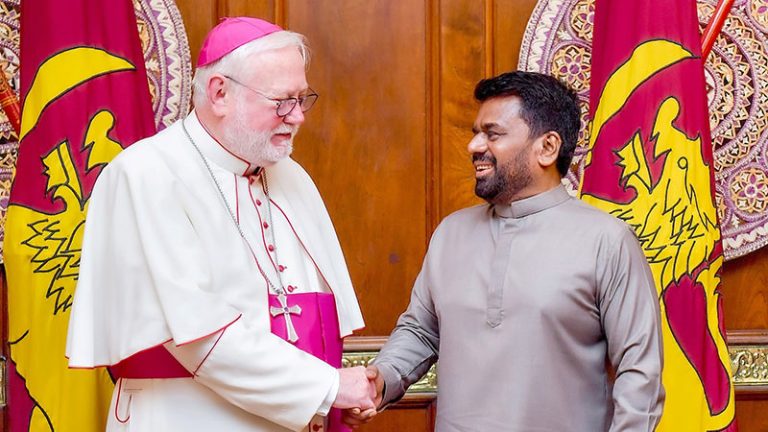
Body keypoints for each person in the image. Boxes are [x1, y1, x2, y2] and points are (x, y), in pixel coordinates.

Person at [66, 17, 376, 432]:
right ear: (219, 93)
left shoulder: (291, 176)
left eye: (302, 98)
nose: (298, 116)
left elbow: (315, 319)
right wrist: (329, 387)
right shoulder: (145, 174)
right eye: (281, 101)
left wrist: (333, 398)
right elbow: (200, 339)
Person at [346, 71, 665, 431]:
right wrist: (382, 379)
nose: (474, 146)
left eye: (492, 134)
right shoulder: (451, 233)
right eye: (476, 133)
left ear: (547, 147)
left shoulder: (607, 240)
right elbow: (421, 331)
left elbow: (640, 374)